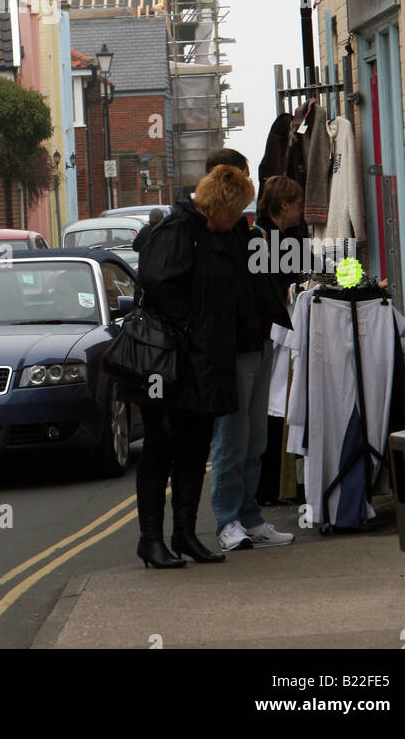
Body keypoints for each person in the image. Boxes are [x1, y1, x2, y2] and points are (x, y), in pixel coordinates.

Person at [132, 164, 255, 569]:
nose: (239, 218)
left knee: (194, 448)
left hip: (202, 361)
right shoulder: (179, 230)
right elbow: (157, 281)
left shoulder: (211, 233)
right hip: (170, 362)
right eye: (236, 210)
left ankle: (184, 534)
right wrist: (190, 327)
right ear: (221, 204)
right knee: (160, 448)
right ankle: (150, 540)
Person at [209, 157, 295, 552]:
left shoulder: (247, 235)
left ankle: (250, 517)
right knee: (232, 438)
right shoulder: (212, 237)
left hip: (260, 343)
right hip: (235, 350)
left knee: (255, 438)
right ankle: (227, 521)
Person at [253, 175, 307, 506]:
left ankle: (272, 485)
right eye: (299, 203)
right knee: (272, 409)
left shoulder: (277, 236)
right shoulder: (264, 239)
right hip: (271, 335)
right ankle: (268, 487)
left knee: (274, 409)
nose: (303, 209)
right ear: (284, 205)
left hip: (274, 333)